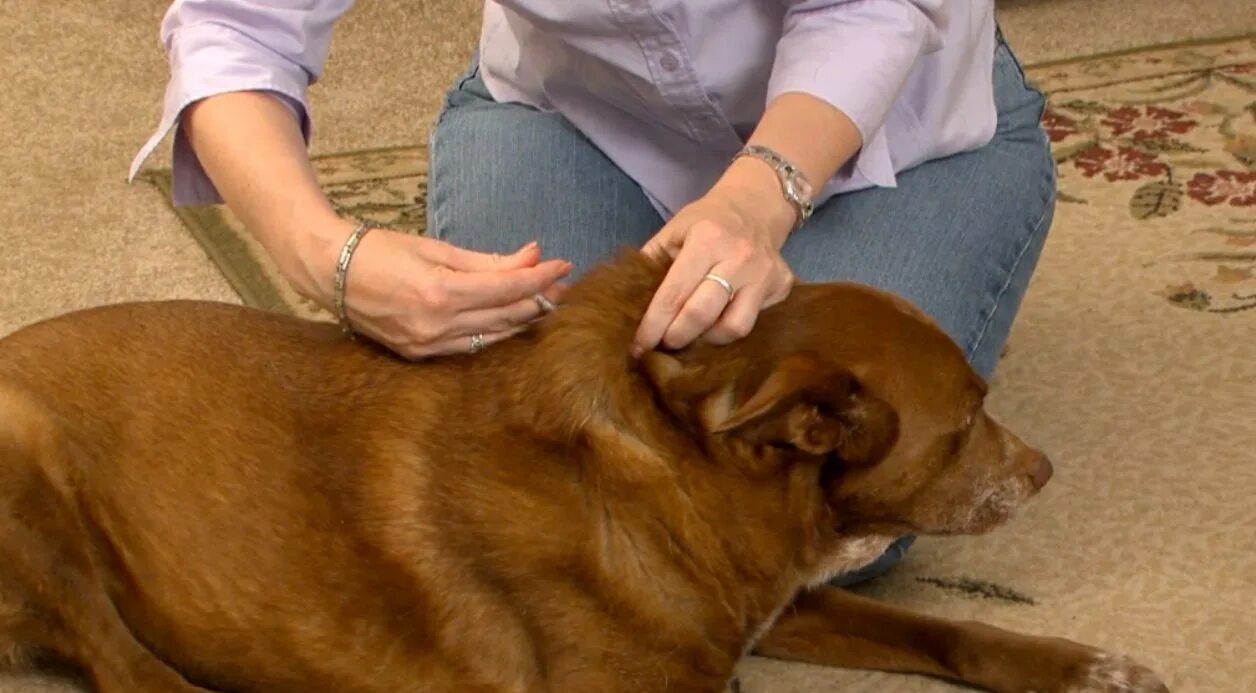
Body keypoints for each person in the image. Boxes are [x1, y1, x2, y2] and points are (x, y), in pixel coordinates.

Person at [130, 1, 1056, 584]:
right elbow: (233, 26)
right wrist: (325, 252)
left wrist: (757, 194)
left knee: (814, 513)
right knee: (530, 471)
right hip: (581, 113)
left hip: (894, 128)